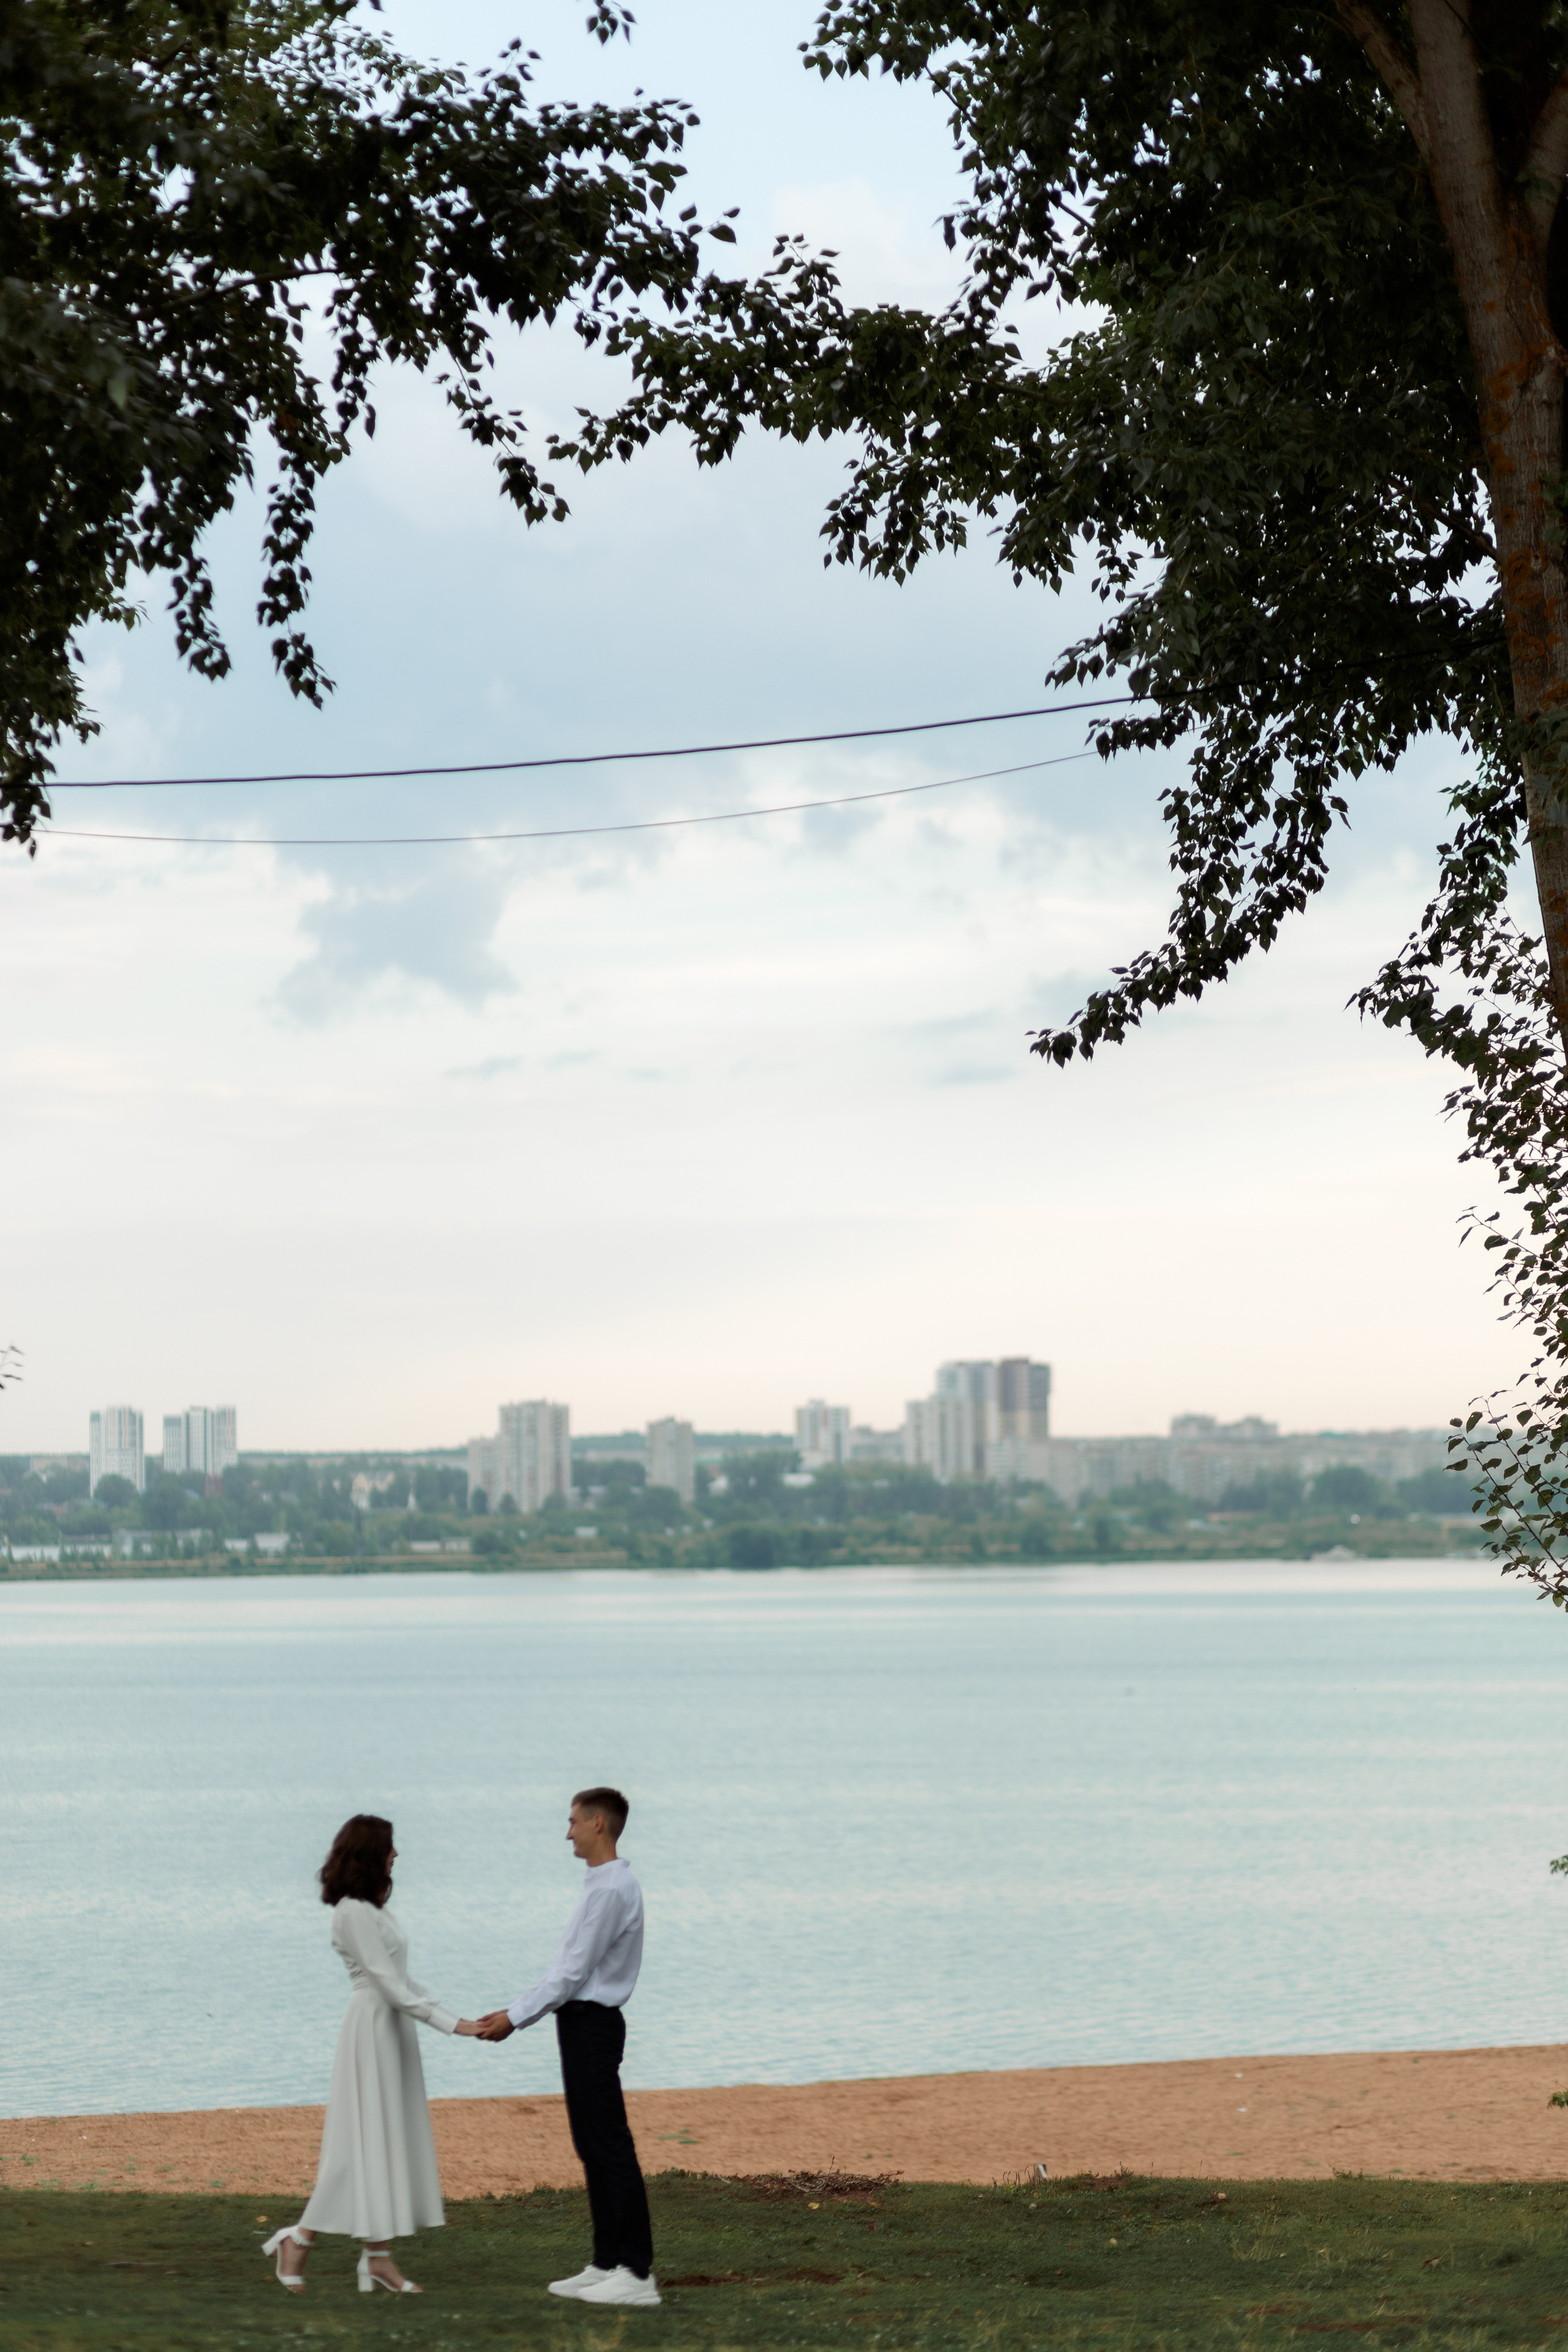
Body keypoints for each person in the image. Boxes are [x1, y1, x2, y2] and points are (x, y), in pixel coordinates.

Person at [262, 1814, 481, 2295]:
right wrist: (451, 2025)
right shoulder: (351, 1912)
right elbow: (383, 1982)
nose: (396, 1854)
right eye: (390, 1846)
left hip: (393, 2027)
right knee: (355, 2143)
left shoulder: (374, 1910)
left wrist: (459, 2018)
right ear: (369, 1852)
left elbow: (403, 1980)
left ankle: (377, 2260)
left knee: (384, 2140)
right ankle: (297, 2239)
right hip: (372, 2027)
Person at [477, 1786, 657, 2308]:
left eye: (574, 1821)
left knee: (609, 2145)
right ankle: (606, 2262)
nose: (568, 1831)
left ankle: (637, 2273)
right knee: (592, 2144)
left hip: (593, 2023)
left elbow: (572, 1973)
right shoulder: (602, 1883)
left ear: (599, 1824)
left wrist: (514, 2017)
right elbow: (568, 1970)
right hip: (579, 2023)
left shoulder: (611, 1889)